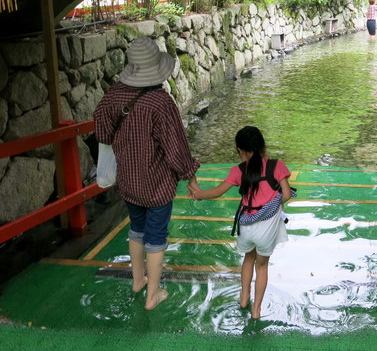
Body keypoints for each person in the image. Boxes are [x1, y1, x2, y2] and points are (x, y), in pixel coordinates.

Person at [93, 36, 200, 311]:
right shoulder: (160, 102)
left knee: (136, 229)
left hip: (128, 180)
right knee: (156, 235)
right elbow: (175, 148)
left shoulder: (113, 95)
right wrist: (190, 175)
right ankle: (153, 295)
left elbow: (103, 132)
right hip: (157, 184)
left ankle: (138, 281)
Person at [189, 126, 291, 319]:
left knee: (248, 259)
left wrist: (198, 194)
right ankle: (256, 310)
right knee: (262, 267)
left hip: (246, 225)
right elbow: (285, 195)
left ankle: (244, 297)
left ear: (240, 151)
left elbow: (217, 192)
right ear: (263, 147)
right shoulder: (277, 166)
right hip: (266, 230)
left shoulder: (238, 171)